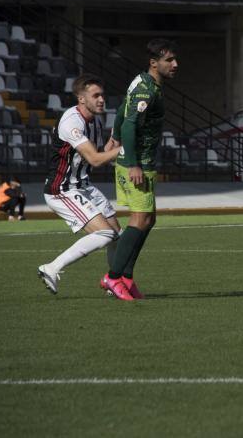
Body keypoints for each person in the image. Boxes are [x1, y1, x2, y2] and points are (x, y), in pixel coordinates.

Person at [102, 39, 177, 301]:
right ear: (154, 63)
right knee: (140, 220)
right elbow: (130, 125)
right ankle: (112, 277)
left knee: (149, 219)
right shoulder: (147, 91)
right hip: (137, 163)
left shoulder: (142, 82)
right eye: (169, 60)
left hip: (140, 161)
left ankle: (127, 277)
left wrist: (113, 135)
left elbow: (123, 110)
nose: (175, 64)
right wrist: (133, 163)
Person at [37, 74, 122, 294]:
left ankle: (114, 282)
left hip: (82, 184)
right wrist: (123, 151)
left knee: (117, 235)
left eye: (102, 95)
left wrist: (116, 140)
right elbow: (95, 159)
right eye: (96, 95)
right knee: (105, 234)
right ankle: (51, 267)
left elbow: (99, 156)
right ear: (81, 99)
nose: (101, 99)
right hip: (62, 189)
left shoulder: (95, 120)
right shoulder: (71, 122)